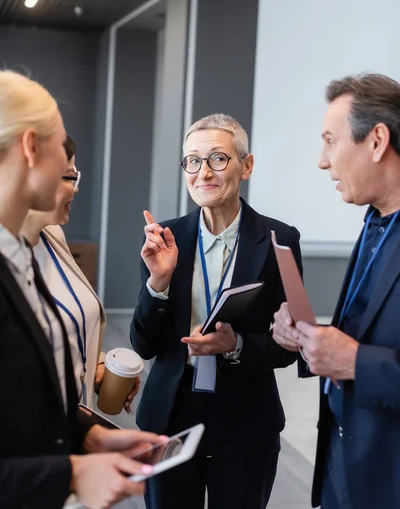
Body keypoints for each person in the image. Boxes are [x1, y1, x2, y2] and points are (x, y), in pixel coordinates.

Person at [0, 70, 165, 509]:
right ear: (31, 147)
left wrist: (89, 435)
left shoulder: (18, 252)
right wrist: (70, 472)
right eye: (62, 147)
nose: (70, 172)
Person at [130, 113, 302, 509]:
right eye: (193, 160)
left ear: (247, 165)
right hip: (171, 416)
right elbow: (143, 344)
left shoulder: (280, 239)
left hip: (246, 419)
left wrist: (236, 344)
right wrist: (158, 283)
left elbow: (288, 344)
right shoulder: (163, 239)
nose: (203, 172)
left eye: (218, 159)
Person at [272, 73, 400, 509]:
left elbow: (362, 358)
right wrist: (312, 340)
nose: (322, 161)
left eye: (331, 141)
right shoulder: (374, 222)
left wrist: (355, 362)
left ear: (377, 140)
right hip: (343, 469)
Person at [20, 136, 139, 411]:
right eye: (68, 177)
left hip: (74, 430)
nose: (75, 189)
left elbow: (64, 323)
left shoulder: (52, 234)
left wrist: (95, 361)